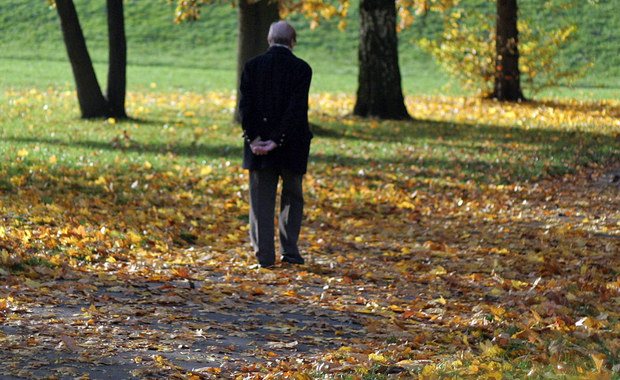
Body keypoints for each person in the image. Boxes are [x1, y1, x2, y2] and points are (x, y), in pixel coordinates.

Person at [238, 21, 313, 268]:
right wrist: (279, 140)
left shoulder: (252, 66)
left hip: (258, 146)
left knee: (261, 200)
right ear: (293, 42)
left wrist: (255, 138)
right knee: (293, 197)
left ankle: (264, 256)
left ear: (269, 40)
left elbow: (245, 108)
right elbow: (296, 109)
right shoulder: (302, 69)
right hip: (292, 144)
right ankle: (290, 251)